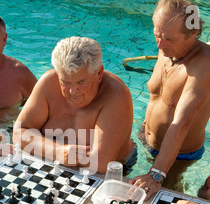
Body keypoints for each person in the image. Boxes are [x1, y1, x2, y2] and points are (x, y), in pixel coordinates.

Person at [130, 0, 210, 198]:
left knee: (165, 201)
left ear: (193, 33)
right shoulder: (167, 49)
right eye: (157, 35)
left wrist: (157, 174)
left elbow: (182, 121)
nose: (161, 44)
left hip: (178, 155)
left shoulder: (206, 61)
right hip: (146, 138)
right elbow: (159, 97)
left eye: (169, 39)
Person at [13, 36, 136, 174]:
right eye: (65, 82)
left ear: (99, 74)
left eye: (81, 82)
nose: (72, 91)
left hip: (113, 169)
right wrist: (57, 152)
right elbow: (19, 132)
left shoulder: (116, 95)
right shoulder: (48, 82)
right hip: (55, 162)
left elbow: (100, 164)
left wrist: (45, 148)